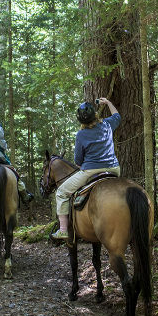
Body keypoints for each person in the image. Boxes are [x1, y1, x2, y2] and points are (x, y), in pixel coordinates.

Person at [50, 97, 121, 240]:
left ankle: (63, 230)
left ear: (80, 120)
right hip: (114, 170)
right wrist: (108, 102)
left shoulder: (81, 134)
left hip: (90, 171)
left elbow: (78, 160)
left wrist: (81, 165)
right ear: (95, 114)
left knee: (62, 193)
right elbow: (117, 116)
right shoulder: (107, 125)